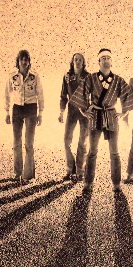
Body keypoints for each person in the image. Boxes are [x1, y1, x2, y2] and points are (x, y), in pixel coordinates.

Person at [71, 48, 133, 193]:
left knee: (114, 152)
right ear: (99, 62)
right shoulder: (91, 78)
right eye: (103, 58)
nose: (106, 60)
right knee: (92, 151)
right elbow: (81, 94)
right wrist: (84, 111)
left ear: (111, 62)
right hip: (95, 116)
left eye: (108, 58)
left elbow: (128, 96)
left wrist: (123, 113)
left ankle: (116, 183)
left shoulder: (118, 80)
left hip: (111, 117)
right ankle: (88, 182)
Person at [5, 50, 44, 185]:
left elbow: (40, 94)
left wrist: (40, 113)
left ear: (29, 61)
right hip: (17, 109)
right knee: (17, 142)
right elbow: (7, 94)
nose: (24, 62)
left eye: (26, 59)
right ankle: (17, 174)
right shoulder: (12, 76)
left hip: (31, 108)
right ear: (18, 61)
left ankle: (28, 175)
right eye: (22, 59)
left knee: (29, 143)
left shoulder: (35, 76)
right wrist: (7, 112)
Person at [58, 53, 90, 181]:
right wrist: (61, 112)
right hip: (71, 112)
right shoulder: (67, 77)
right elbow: (63, 96)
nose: (78, 62)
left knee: (82, 142)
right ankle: (70, 170)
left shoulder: (88, 77)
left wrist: (91, 110)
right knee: (67, 141)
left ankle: (80, 172)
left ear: (83, 62)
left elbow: (94, 95)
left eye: (80, 60)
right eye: (76, 59)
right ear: (72, 61)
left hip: (85, 113)